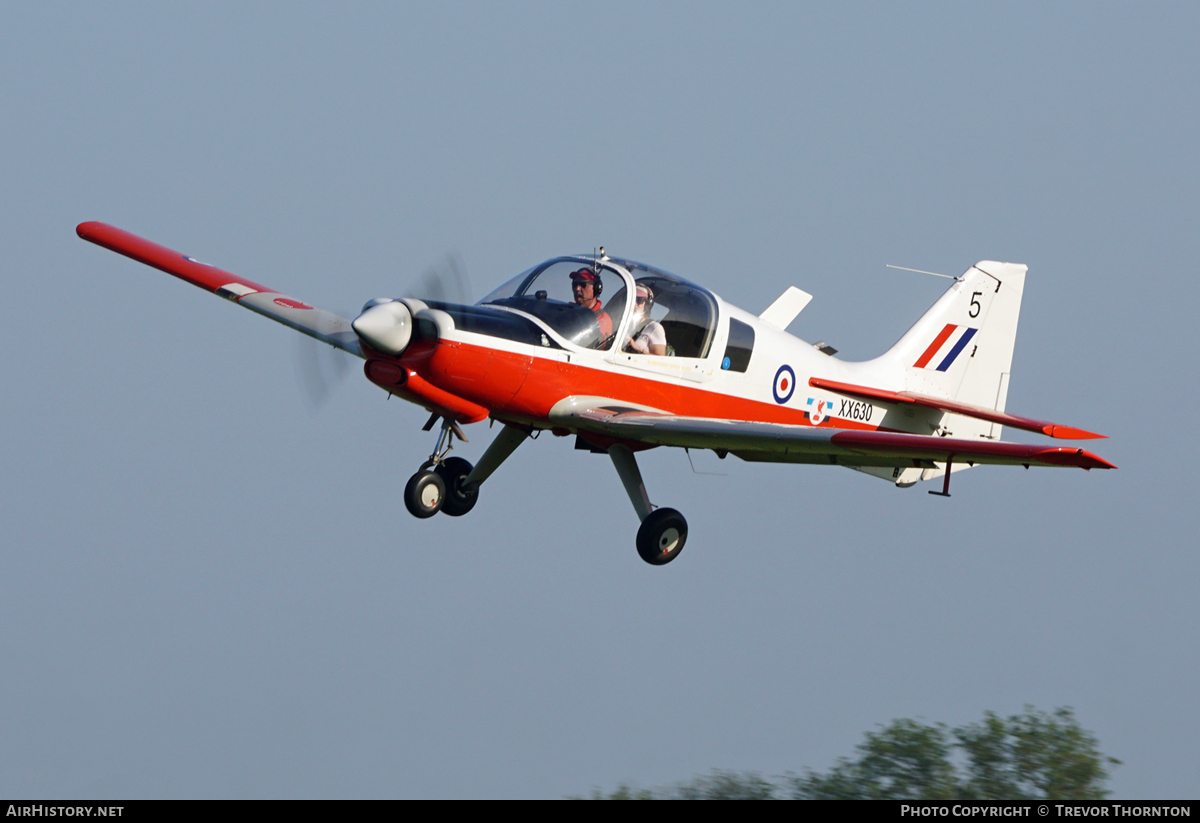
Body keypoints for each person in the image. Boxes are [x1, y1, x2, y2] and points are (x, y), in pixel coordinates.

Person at [569, 267, 612, 343]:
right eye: (575, 284)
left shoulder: (602, 319)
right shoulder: (568, 310)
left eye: (583, 284)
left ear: (596, 288)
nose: (577, 288)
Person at [627, 283, 667, 355]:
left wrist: (638, 348)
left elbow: (660, 361)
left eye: (639, 300)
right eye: (632, 299)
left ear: (647, 304)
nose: (634, 304)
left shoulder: (654, 327)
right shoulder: (626, 325)